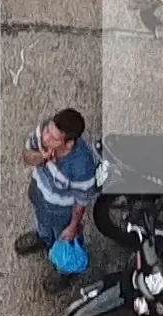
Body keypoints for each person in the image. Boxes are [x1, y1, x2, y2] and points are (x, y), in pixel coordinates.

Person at [20, 109, 103, 267]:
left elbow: (80, 203)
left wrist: (72, 227)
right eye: (47, 131)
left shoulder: (81, 167)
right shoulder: (44, 132)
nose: (45, 138)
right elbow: (27, 156)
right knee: (41, 223)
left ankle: (64, 271)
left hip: (61, 214)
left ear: (69, 143)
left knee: (66, 241)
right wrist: (42, 157)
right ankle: (43, 239)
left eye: (54, 138)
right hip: (38, 196)